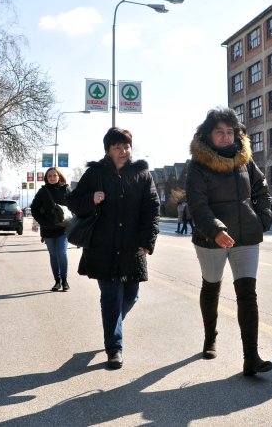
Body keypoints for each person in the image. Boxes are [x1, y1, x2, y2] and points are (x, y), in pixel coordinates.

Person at [186, 107, 272, 376]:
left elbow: (262, 190)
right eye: (219, 132)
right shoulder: (198, 166)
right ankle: (210, 338)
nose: (226, 137)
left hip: (246, 236)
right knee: (211, 287)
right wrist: (216, 230)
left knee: (247, 294)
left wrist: (263, 218)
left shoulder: (245, 160)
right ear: (208, 136)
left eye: (230, 132)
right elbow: (197, 205)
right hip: (211, 239)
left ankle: (251, 358)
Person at [67, 127, 159, 370]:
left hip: (132, 247)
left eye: (126, 146)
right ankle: (114, 348)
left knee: (131, 295)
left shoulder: (142, 174)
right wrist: (91, 199)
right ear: (107, 150)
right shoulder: (95, 173)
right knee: (111, 297)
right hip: (102, 247)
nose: (123, 151)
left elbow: (152, 208)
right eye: (117, 147)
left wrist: (148, 241)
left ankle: (114, 324)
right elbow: (74, 202)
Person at [30, 167, 73, 292]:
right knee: (53, 255)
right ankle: (57, 281)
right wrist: (42, 221)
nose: (52, 178)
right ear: (46, 178)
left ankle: (65, 281)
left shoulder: (66, 189)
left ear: (59, 176)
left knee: (62, 253)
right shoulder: (43, 191)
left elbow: (75, 205)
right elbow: (34, 208)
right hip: (48, 229)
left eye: (54, 175)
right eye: (50, 176)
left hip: (63, 228)